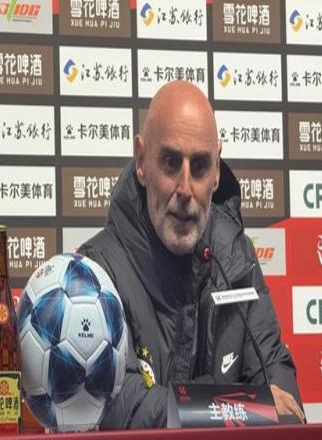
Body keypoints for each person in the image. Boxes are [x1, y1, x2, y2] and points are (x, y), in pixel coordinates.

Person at [78, 81, 304, 428]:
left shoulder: (237, 259)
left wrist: (203, 404)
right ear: (141, 161)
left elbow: (285, 403)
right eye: (170, 162)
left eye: (199, 166)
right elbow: (117, 405)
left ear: (216, 172)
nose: (185, 188)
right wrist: (237, 406)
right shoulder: (97, 272)